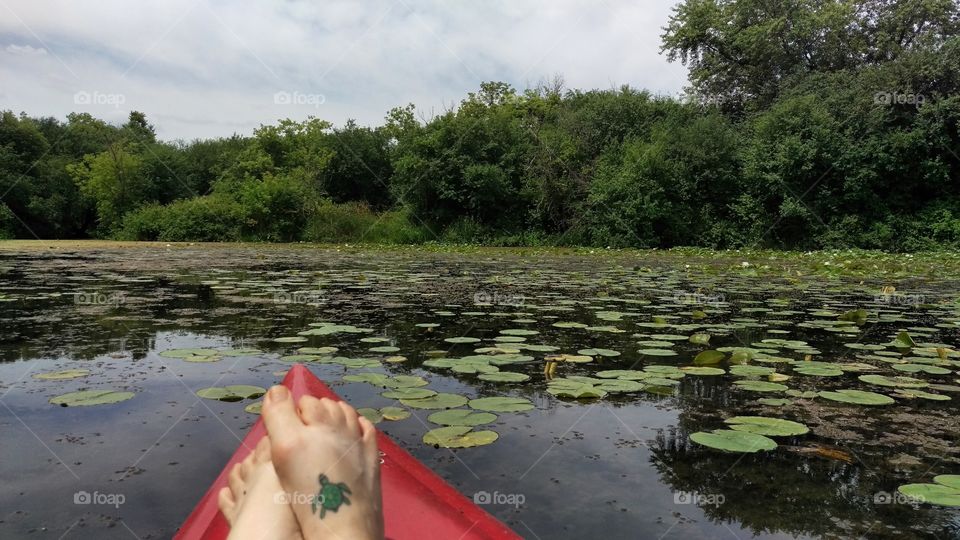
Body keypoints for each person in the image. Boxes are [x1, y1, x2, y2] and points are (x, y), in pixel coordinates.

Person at [217, 385, 385, 540]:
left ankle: (256, 533)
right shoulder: (337, 488)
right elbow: (340, 491)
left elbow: (317, 502)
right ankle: (349, 528)